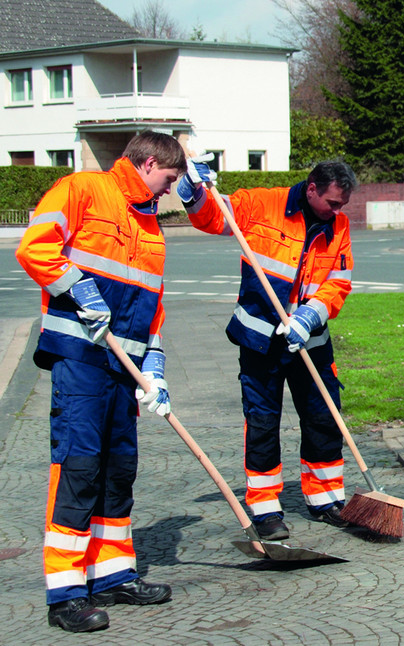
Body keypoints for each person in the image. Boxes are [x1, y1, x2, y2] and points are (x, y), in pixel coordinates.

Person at [15, 130, 187, 633]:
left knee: (118, 469)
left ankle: (112, 574)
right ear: (149, 162)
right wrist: (78, 288)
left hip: (123, 368)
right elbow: (35, 248)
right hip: (82, 359)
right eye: (169, 179)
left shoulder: (151, 225)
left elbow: (150, 306)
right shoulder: (83, 190)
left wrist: (153, 368)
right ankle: (66, 594)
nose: (170, 190)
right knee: (80, 465)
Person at [177, 156, 356, 541]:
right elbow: (213, 217)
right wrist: (193, 192)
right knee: (262, 421)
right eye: (333, 203)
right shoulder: (263, 204)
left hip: (311, 339)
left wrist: (308, 317)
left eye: (342, 205)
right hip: (260, 340)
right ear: (311, 189)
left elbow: (338, 282)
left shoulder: (338, 226)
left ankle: (326, 498)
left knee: (324, 415)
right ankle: (265, 508)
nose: (338, 212)